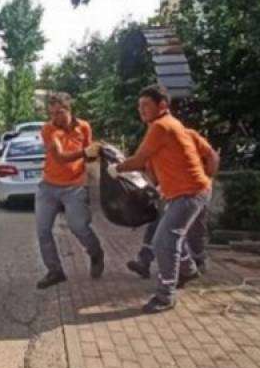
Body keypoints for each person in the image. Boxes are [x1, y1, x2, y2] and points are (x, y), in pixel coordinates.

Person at [110, 85, 212, 313]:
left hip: (189, 193)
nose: (141, 110)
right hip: (184, 192)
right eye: (139, 106)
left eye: (146, 105)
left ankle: (166, 295)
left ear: (162, 105)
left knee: (164, 241)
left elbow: (138, 160)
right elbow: (151, 166)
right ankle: (188, 270)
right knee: (171, 237)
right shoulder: (166, 126)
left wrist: (116, 169)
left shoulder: (161, 126)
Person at [35, 92, 106, 289]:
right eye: (52, 113)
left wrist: (97, 153)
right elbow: (60, 157)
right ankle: (55, 271)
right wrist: (84, 152)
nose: (55, 117)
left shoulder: (84, 127)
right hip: (49, 186)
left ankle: (96, 253)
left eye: (59, 112)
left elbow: (89, 156)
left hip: (74, 186)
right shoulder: (49, 129)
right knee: (43, 230)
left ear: (69, 110)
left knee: (79, 227)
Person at [127, 128, 219, 279]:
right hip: (173, 192)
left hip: (196, 190)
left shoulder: (188, 137)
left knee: (195, 227)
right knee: (159, 223)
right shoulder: (153, 148)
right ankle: (144, 260)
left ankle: (197, 260)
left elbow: (212, 157)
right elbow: (151, 174)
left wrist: (206, 180)